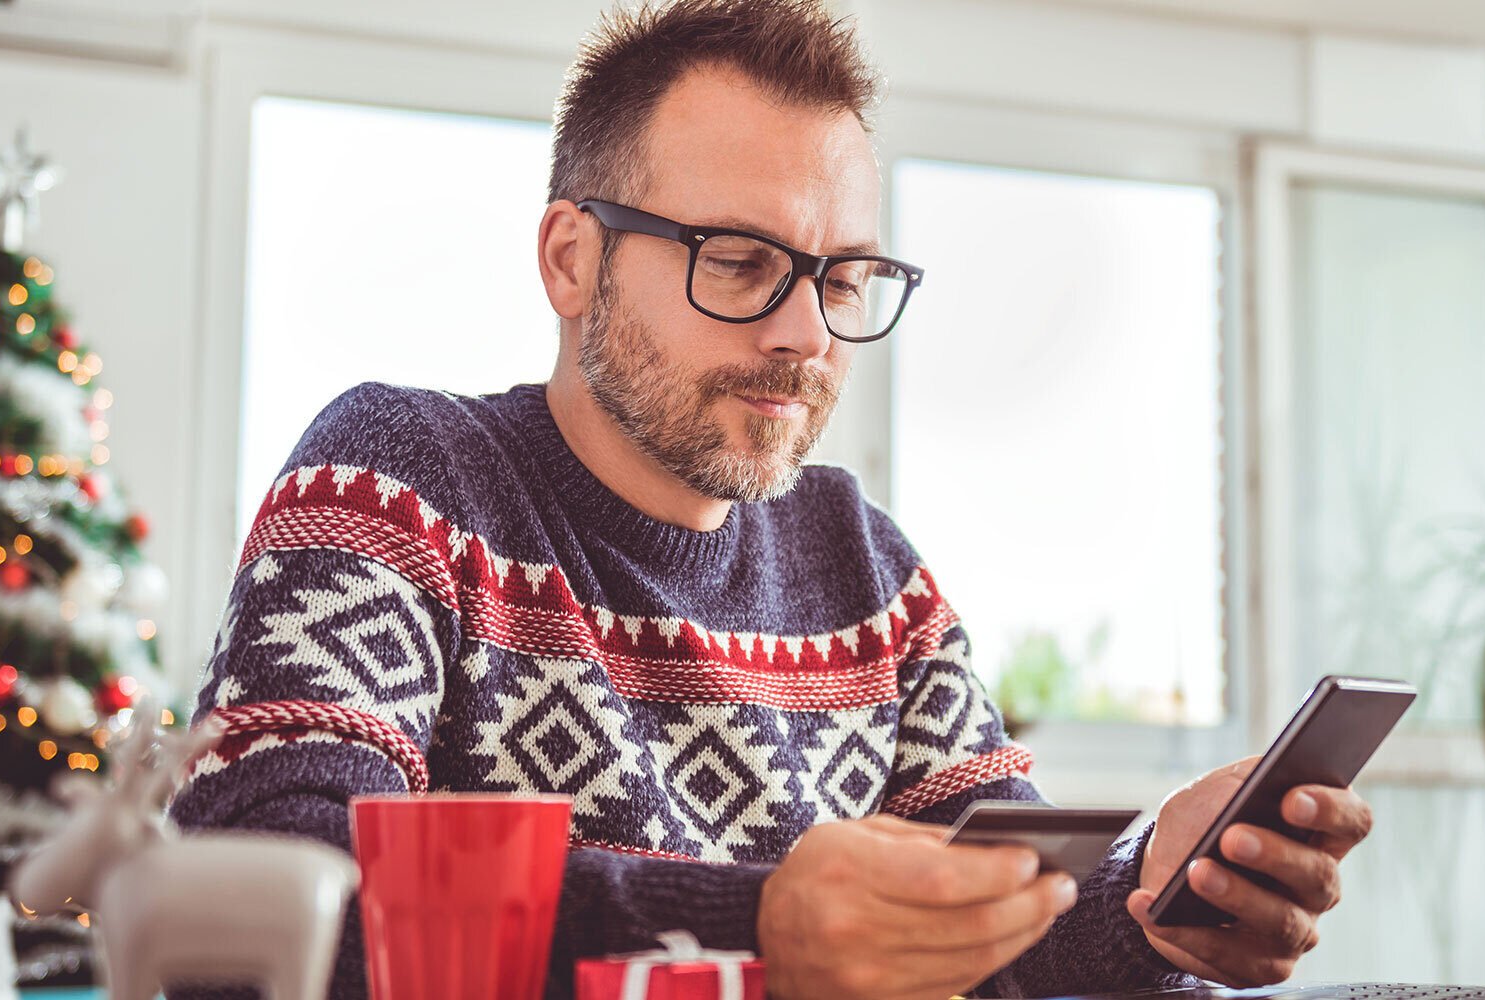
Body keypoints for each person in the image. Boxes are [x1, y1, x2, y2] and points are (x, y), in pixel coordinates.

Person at [169, 1, 1374, 996]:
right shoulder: (397, 473)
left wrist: (1151, 896)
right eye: (740, 263)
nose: (807, 334)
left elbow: (995, 904)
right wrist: (755, 927)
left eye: (844, 277)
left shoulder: (866, 565)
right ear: (569, 260)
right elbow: (267, 879)